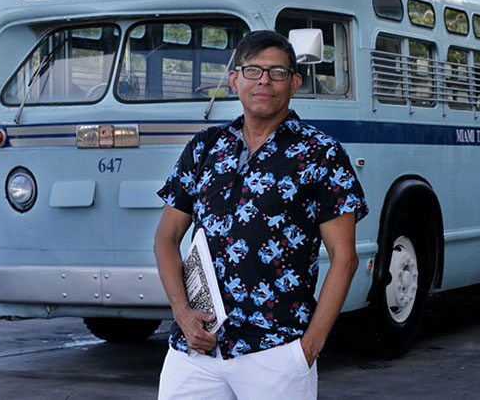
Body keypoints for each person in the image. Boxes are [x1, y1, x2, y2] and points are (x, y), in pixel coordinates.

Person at [154, 30, 368, 399]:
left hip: (277, 351)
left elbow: (344, 259)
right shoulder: (205, 147)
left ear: (295, 83)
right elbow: (166, 238)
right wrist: (181, 314)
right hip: (195, 349)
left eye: (277, 72)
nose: (264, 81)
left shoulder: (321, 155)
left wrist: (309, 347)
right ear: (234, 80)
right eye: (253, 71)